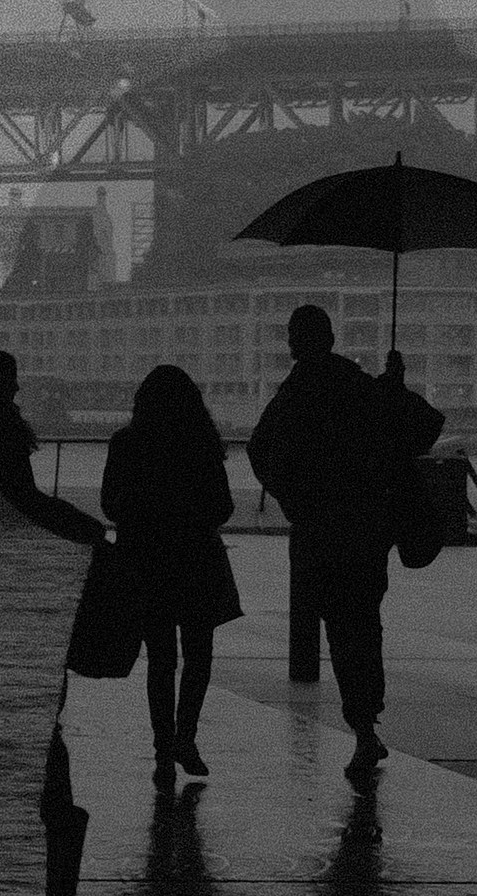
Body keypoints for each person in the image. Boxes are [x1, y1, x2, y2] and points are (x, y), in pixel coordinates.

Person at [243, 302, 444, 775]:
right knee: (365, 622)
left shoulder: (296, 393)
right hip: (367, 529)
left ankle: (362, 726)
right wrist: (394, 387)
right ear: (331, 338)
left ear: (296, 342)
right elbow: (422, 431)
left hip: (321, 530)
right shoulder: (360, 386)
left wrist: (296, 499)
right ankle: (367, 720)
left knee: (338, 626)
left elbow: (259, 448)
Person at [90, 363, 250, 794]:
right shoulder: (201, 445)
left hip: (146, 563)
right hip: (196, 561)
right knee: (198, 656)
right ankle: (186, 738)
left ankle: (163, 749)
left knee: (161, 660)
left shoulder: (126, 443)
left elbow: (110, 504)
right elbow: (223, 507)